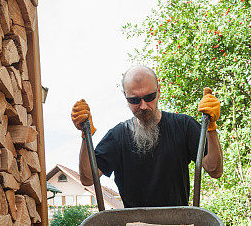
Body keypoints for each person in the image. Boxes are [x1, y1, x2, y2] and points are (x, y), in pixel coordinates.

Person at [70, 65, 223, 208]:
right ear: (125, 97)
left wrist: (211, 129)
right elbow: (88, 178)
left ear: (159, 91)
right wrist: (85, 136)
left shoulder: (184, 126)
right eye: (135, 100)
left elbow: (215, 170)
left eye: (149, 97)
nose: (143, 106)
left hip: (177, 224)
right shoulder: (118, 136)